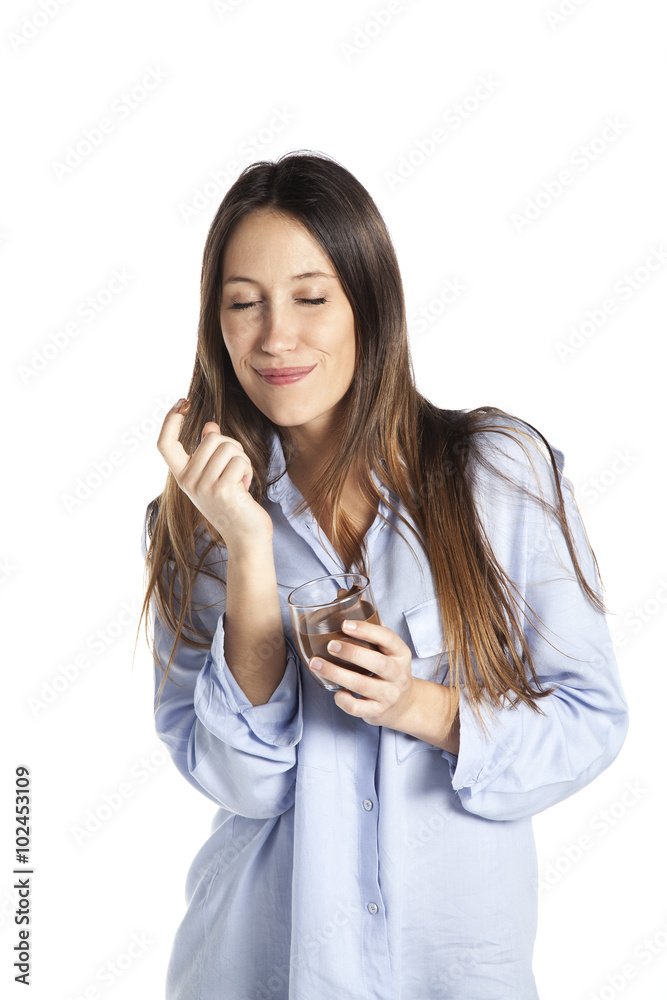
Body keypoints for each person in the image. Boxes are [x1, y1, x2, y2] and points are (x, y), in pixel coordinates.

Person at [138, 150, 629, 1000]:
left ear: (370, 301)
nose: (275, 337)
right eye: (242, 304)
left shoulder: (498, 475)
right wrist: (250, 551)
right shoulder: (195, 522)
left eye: (310, 297)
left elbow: (588, 724)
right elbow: (242, 784)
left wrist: (417, 707)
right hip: (259, 970)